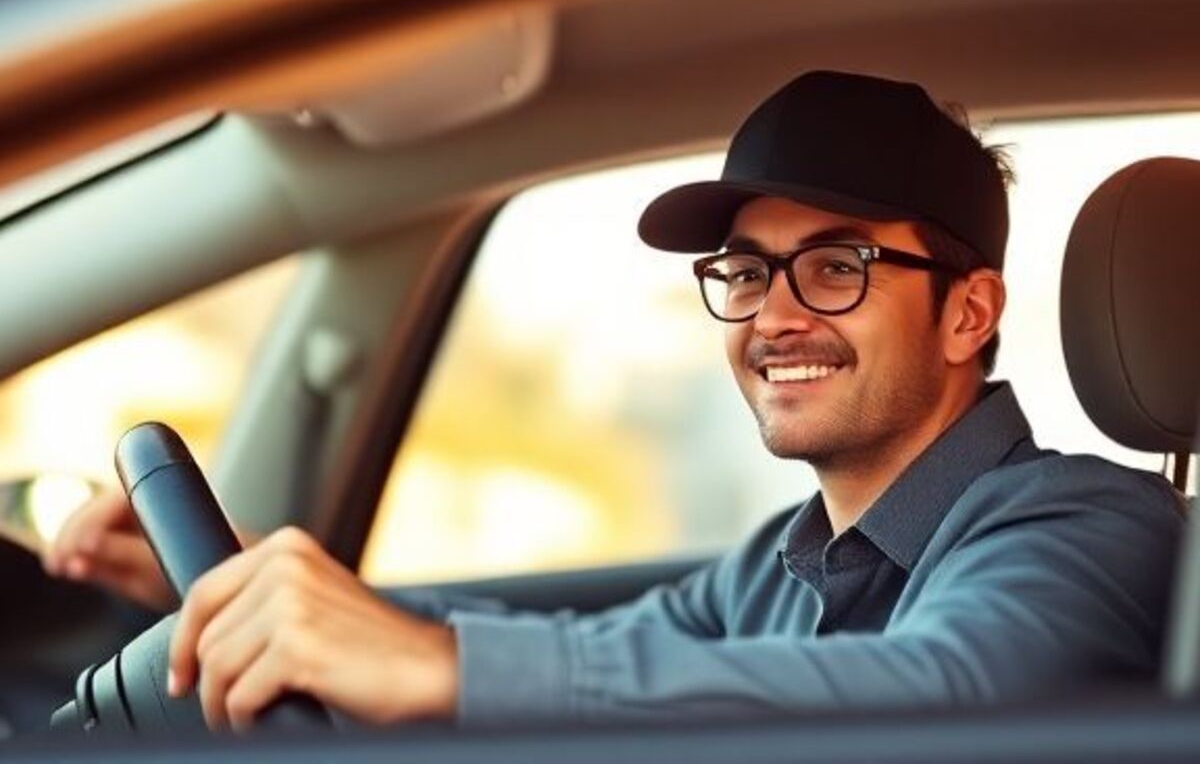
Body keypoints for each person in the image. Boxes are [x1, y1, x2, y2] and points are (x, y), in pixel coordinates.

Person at [43, 70, 1184, 730]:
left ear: (968, 312)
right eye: (743, 271)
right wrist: (267, 588)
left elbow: (951, 688)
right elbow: (579, 645)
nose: (772, 316)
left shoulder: (1099, 523)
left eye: (836, 265)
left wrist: (439, 674)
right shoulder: (777, 570)